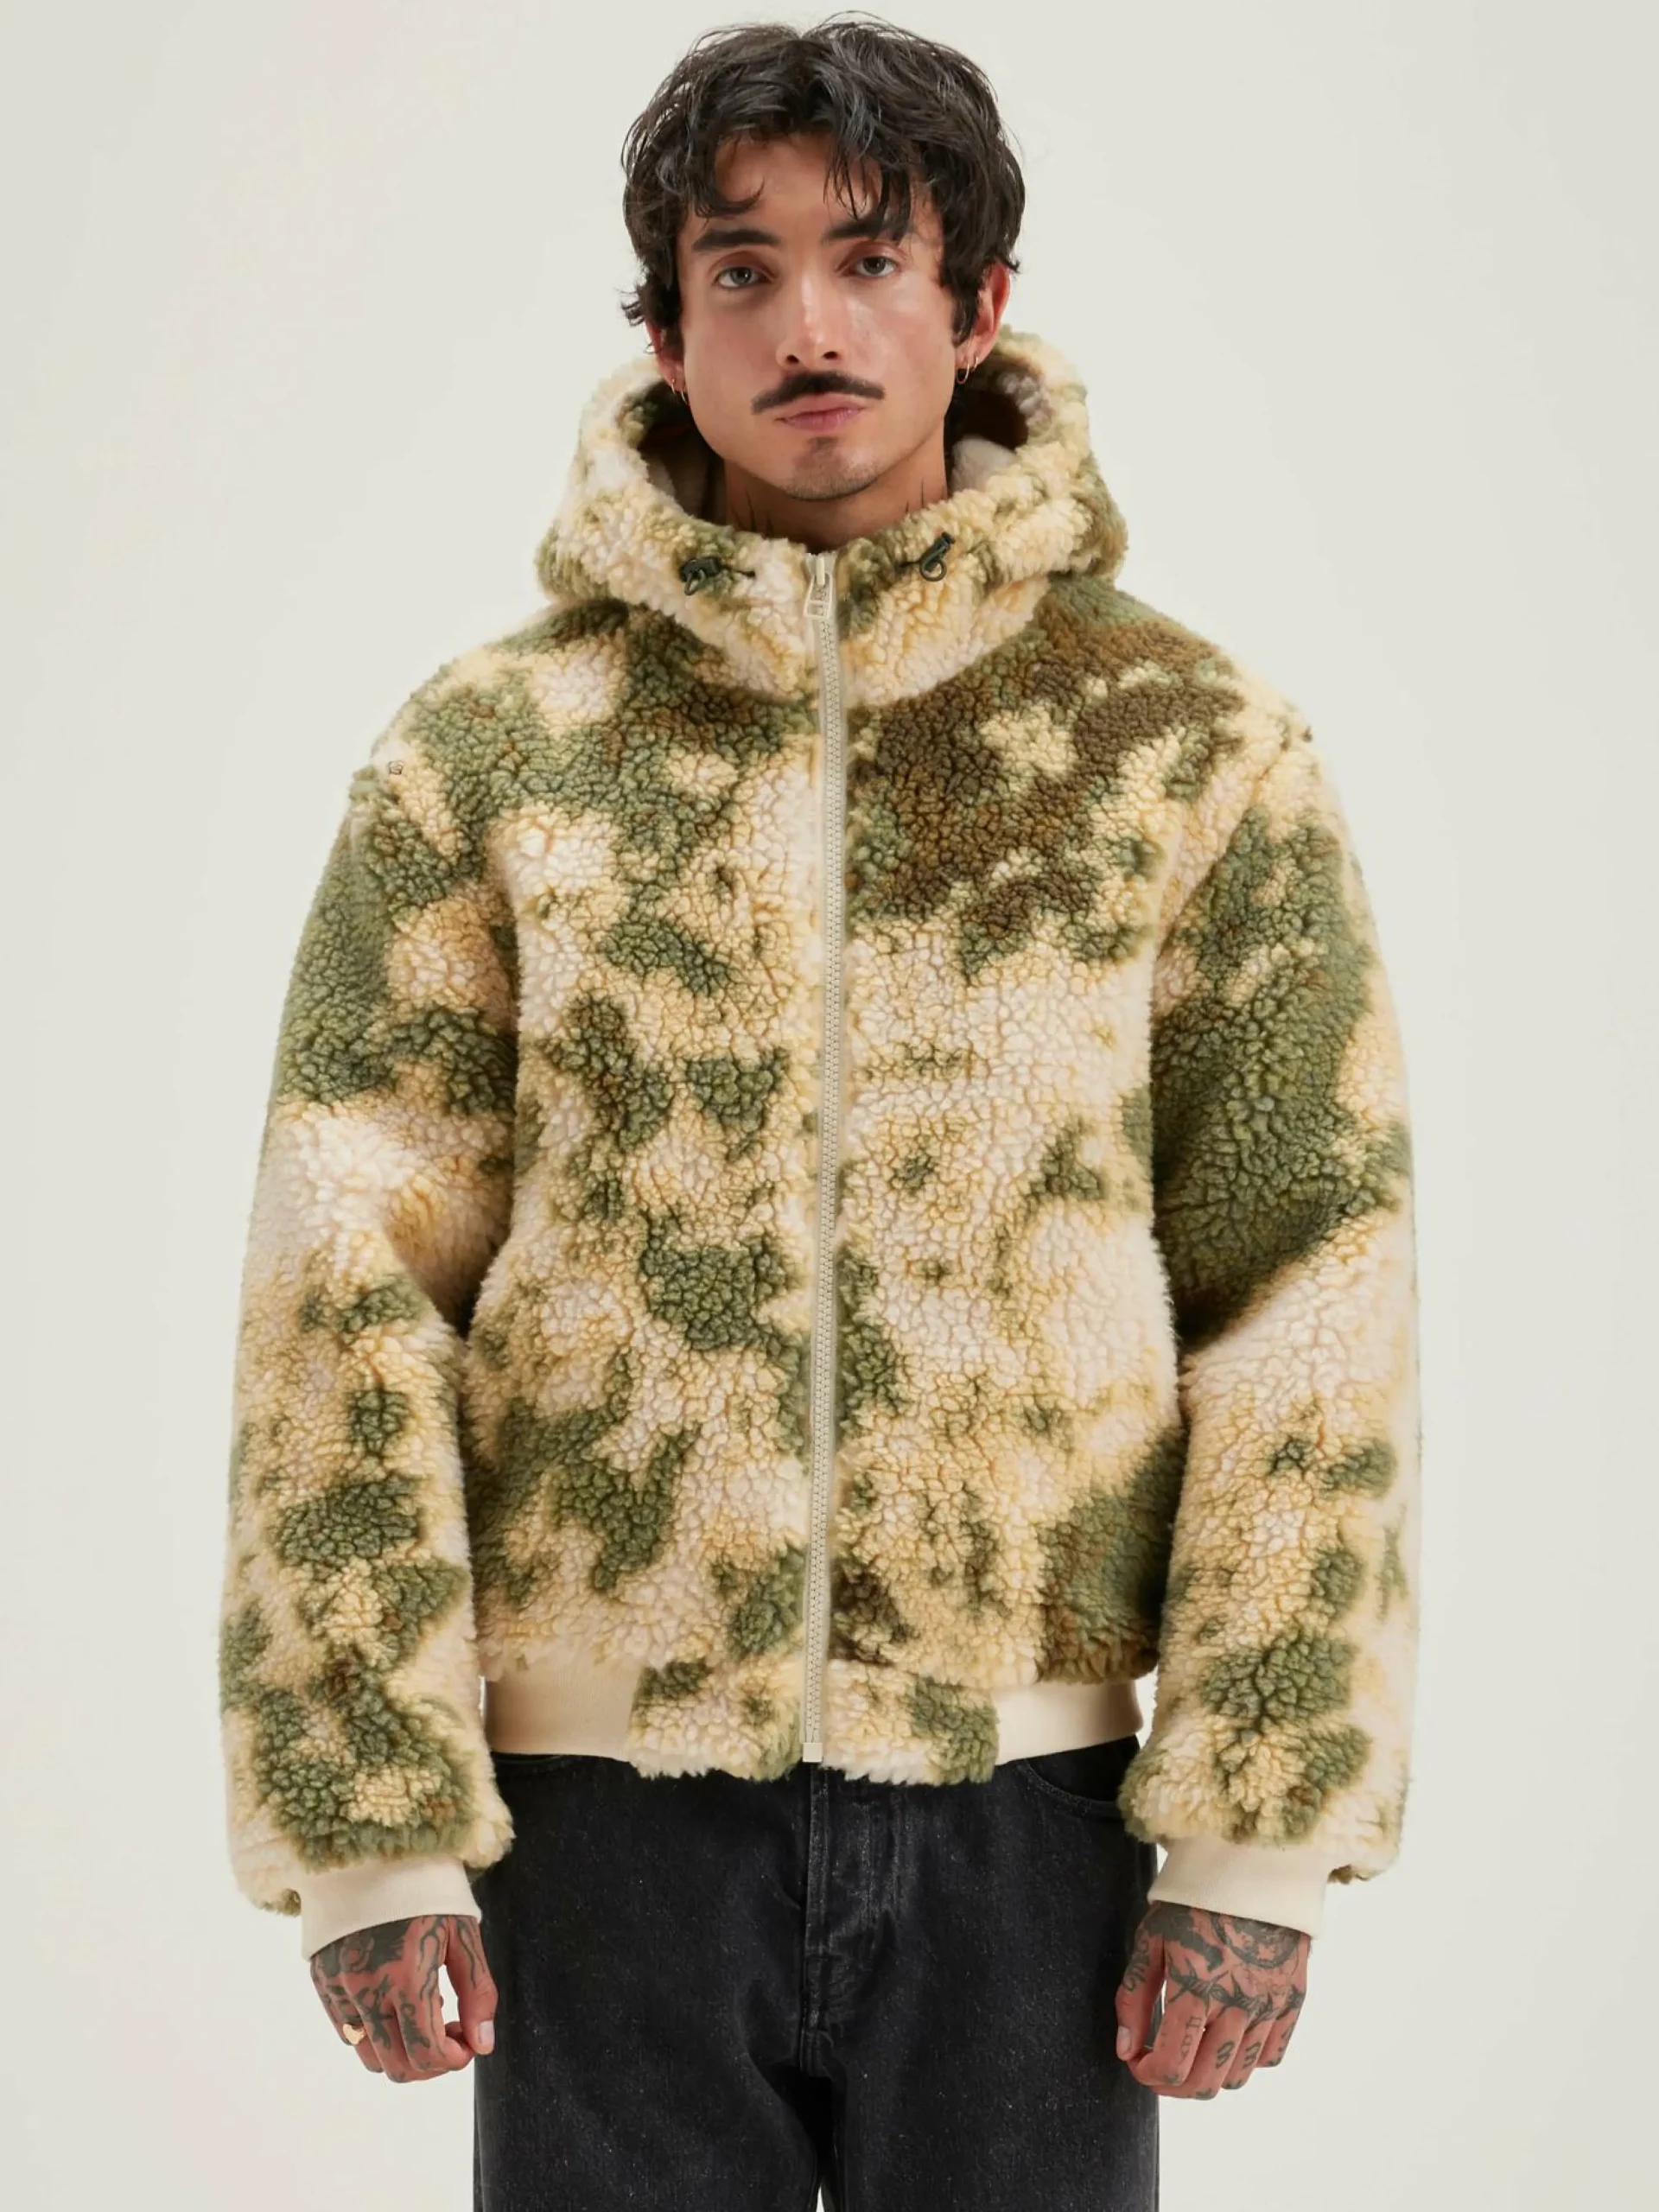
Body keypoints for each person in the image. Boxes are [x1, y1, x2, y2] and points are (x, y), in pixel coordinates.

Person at [217, 15, 1421, 2207]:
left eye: (870, 259)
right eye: (740, 269)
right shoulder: (491, 754)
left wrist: (1257, 1826)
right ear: (664, 330)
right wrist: (367, 1818)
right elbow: (347, 1274)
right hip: (598, 1824)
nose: (809, 327)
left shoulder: (1186, 749)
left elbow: (1310, 1278)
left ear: (980, 309)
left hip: (1032, 1816)